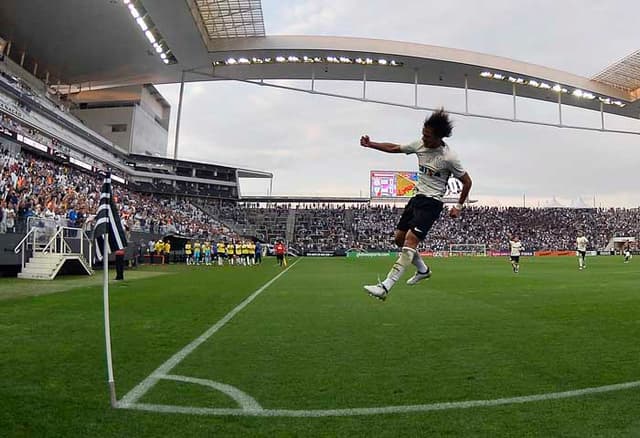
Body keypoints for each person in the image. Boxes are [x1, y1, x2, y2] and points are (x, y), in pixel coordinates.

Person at [360, 109, 472, 300]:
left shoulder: (449, 158)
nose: (423, 138)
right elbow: (395, 148)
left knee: (411, 240)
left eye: (427, 136)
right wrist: (371, 144)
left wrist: (458, 206)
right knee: (398, 239)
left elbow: (467, 182)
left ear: (439, 137)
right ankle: (423, 269)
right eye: (423, 134)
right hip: (417, 198)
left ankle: (385, 286)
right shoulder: (420, 145)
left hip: (432, 202)